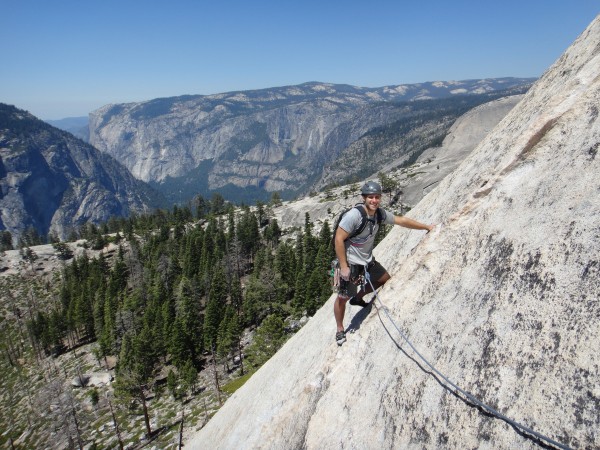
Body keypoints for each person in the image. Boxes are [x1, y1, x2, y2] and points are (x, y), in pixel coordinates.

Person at [333, 180, 434, 345]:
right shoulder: (355, 215)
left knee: (383, 278)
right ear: (364, 198)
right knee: (342, 297)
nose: (374, 200)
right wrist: (344, 267)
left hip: (366, 260)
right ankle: (339, 329)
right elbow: (339, 238)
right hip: (350, 262)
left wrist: (426, 227)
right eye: (371, 197)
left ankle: (358, 298)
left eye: (377, 197)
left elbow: (401, 220)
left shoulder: (379, 214)